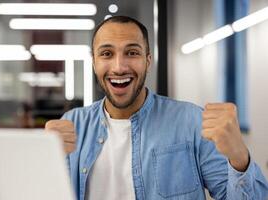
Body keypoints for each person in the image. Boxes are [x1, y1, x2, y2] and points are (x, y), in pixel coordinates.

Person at [45, 16, 268, 200]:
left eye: (132, 53)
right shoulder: (72, 124)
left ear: (148, 61)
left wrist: (239, 157)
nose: (119, 66)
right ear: (94, 62)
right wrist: (41, 159)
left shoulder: (191, 121)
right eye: (106, 54)